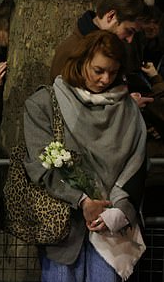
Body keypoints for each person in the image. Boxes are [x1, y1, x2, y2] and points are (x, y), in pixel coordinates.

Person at [24, 30, 146, 281]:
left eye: (113, 72)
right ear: (81, 63)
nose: (105, 79)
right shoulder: (46, 102)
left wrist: (119, 209)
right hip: (63, 227)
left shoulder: (127, 108)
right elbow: (39, 163)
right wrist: (81, 200)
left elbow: (137, 161)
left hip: (110, 225)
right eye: (98, 70)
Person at [50, 0, 148, 79]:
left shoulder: (113, 46)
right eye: (128, 31)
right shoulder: (71, 52)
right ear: (111, 16)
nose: (130, 40)